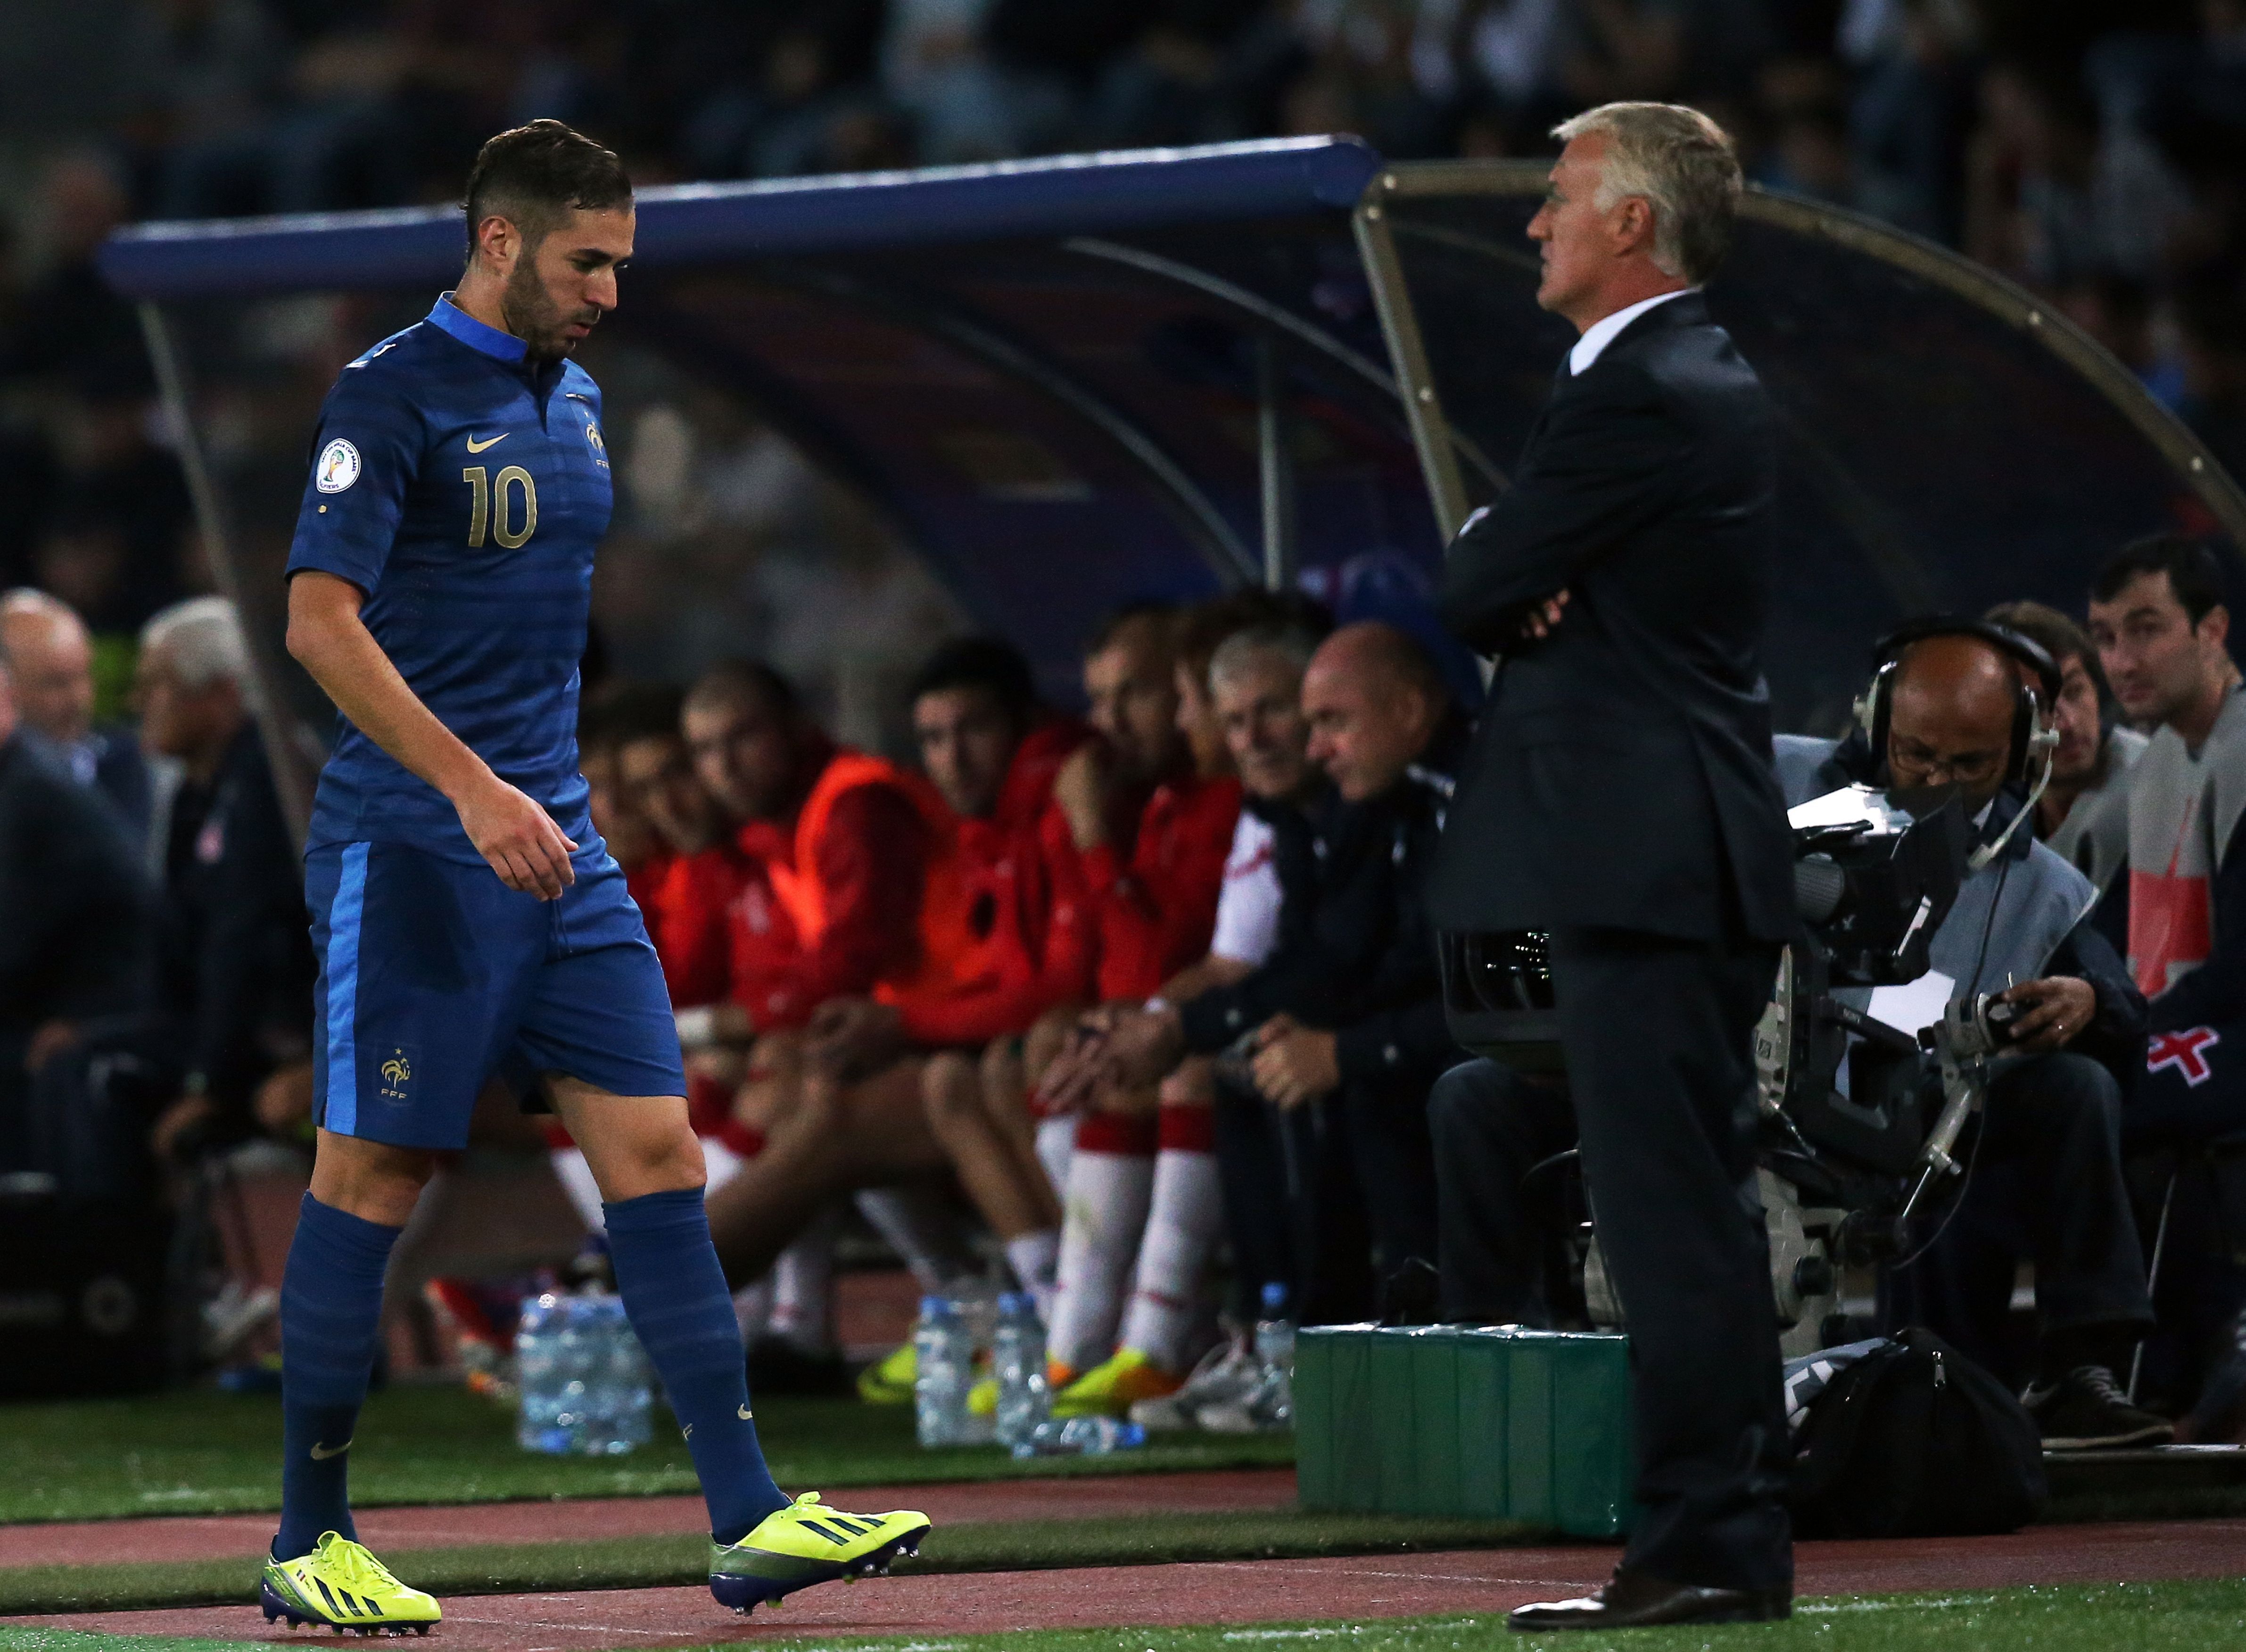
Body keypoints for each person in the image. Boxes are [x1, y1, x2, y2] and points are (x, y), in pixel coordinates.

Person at [265, 120, 926, 1635]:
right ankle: (309, 1538)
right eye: (589, 262)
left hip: (557, 847)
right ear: (499, 240)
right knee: (371, 1175)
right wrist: (471, 787)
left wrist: (530, 794)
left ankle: (751, 1516)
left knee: (659, 1159)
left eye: (623, 264)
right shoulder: (388, 395)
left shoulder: (576, 399)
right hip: (416, 850)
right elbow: (317, 622)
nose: (611, 292)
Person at [1429, 103, 1798, 1631]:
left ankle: (1707, 1543)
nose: (1535, 222)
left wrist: (1513, 567)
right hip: (1648, 857)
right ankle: (1706, 1535)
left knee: (1667, 1221)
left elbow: (1473, 581)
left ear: (1631, 225)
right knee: (1671, 1212)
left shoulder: (1644, 390)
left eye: (1559, 195)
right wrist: (1518, 572)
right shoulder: (1668, 383)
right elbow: (1507, 582)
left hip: (1646, 863)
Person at [1772, 624, 2163, 1446]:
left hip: (1930, 1135)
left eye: (1968, 764)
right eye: (1914, 753)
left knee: (2073, 1089)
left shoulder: (2046, 890)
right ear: (1877, 718)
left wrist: (2087, 997)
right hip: (1762, 1098)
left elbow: (2123, 1005)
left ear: (2022, 751)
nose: (1935, 782)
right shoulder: (1773, 783)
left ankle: (2073, 1369)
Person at [1047, 621, 1466, 1371]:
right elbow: (1335, 963)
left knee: (1366, 1084)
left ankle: (1372, 1346)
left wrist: (1342, 1047)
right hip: (1423, 1034)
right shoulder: (1324, 808)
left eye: (1323, 721)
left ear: (1407, 712)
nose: (1305, 744)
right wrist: (1175, 1022)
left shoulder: (1443, 801)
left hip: (1488, 1057)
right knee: (1255, 1061)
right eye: (1234, 718)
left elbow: (1509, 985)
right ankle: (1271, 1340)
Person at [1035, 602, 1241, 1390]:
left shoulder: (1222, 800)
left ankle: (1143, 1339)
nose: (1107, 721)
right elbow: (1115, 971)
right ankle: (1083, 1340)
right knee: (1065, 1052)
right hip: (1184, 1023)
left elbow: (1150, 962)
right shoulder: (1164, 797)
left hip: (1256, 1035)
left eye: (1139, 695)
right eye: (1098, 698)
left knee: (1141, 1063)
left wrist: (1089, 832)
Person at [2088, 535, 2246, 1431]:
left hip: (2228, 1023)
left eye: (2144, 629)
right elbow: (2106, 932)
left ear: (2211, 628)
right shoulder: (2155, 763)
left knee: (2113, 1095)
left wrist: (2128, 1027)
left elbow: (2237, 969)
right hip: (2191, 1018)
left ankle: (2138, 1373)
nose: (2120, 659)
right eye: (2105, 635)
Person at [133, 597, 316, 1162]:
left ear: (218, 694)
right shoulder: (197, 791)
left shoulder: (268, 778)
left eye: (156, 686)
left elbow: (243, 939)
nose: (139, 703)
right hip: (231, 1038)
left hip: (292, 1039)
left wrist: (205, 1085)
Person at [0, 647, 149, 1138]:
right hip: (57, 1000)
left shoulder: (31, 790)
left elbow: (16, 939)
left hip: (95, 1009)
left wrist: (88, 1016)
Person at [1985, 598, 2146, 897]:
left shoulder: (2157, 788)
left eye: (2074, 691)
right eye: (2037, 707)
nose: (2066, 723)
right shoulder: (1991, 828)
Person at [0, 587, 154, 844]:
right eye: (55, 683)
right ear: (7, 688)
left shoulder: (127, 765)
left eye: (84, 676)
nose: (78, 700)